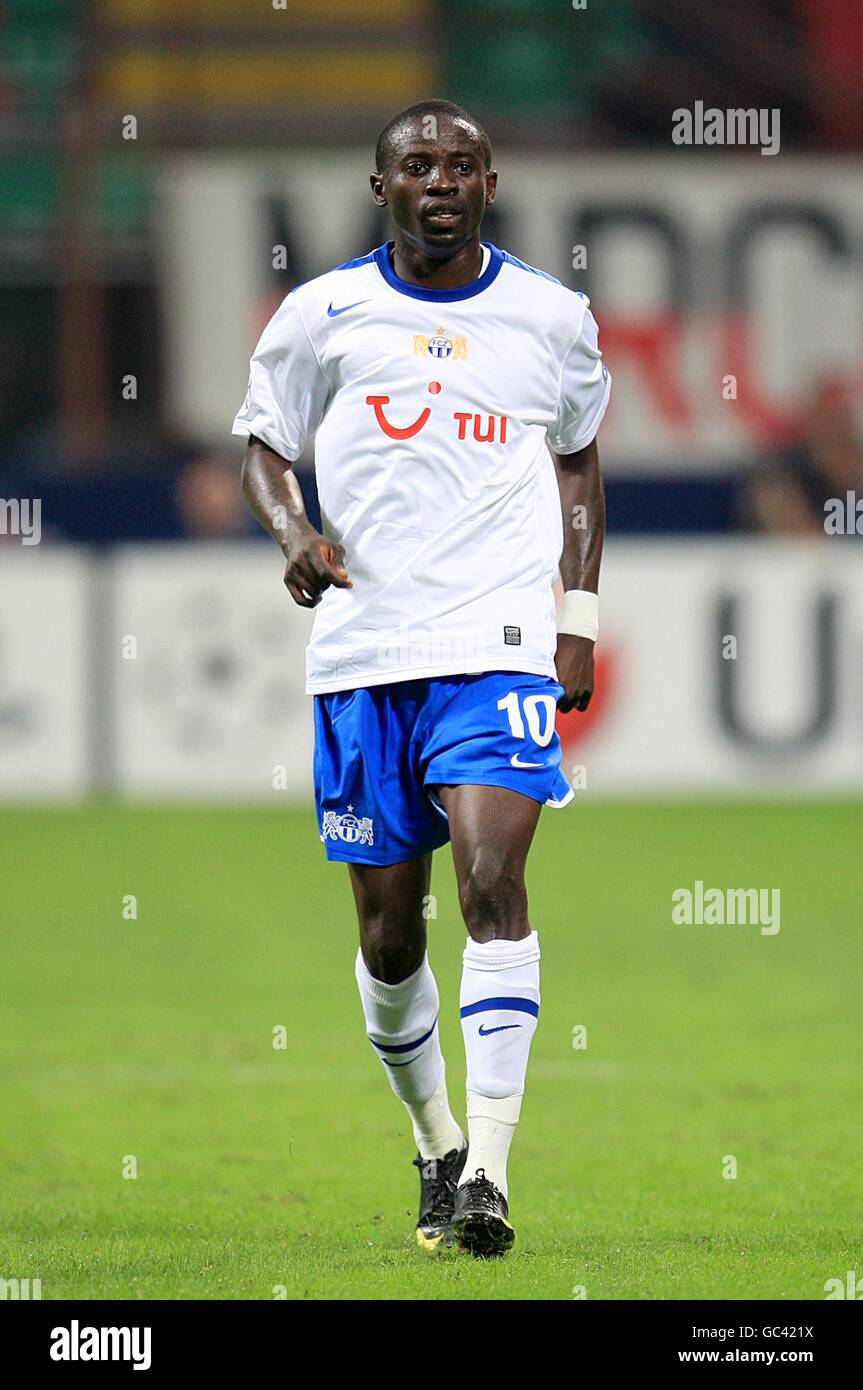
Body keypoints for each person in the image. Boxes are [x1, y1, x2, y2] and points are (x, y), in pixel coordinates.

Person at [233, 99, 611, 1258]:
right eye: (415, 167)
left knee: (494, 881)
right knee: (391, 934)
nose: (438, 183)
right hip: (363, 655)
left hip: (493, 642)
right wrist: (293, 530)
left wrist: (577, 615)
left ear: (490, 182)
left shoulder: (550, 318)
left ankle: (490, 1174)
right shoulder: (320, 314)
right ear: (378, 185)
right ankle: (436, 1142)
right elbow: (260, 442)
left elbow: (580, 456)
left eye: (458, 166)